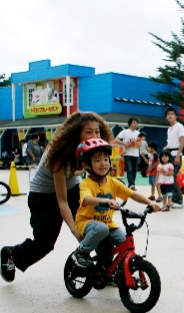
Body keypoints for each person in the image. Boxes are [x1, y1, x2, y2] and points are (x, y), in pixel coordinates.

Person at [1, 111, 112, 283]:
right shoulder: (60, 153)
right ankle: (10, 253)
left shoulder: (95, 150)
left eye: (97, 131)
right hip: (44, 196)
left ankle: (106, 270)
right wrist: (75, 229)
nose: (94, 135)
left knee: (99, 225)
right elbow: (62, 201)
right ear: (76, 133)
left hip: (73, 188)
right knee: (44, 244)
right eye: (88, 132)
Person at [71, 139, 160, 267]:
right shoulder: (86, 183)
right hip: (87, 222)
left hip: (108, 224)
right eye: (97, 160)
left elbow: (132, 194)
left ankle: (115, 271)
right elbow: (87, 200)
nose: (103, 164)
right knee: (102, 228)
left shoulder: (112, 182)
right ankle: (81, 252)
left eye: (106, 159)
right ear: (86, 165)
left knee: (125, 242)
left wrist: (150, 203)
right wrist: (105, 201)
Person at [164, 107, 184, 208]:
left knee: (173, 177)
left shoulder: (179, 126)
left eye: (172, 114)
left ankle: (179, 201)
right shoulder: (169, 129)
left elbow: (182, 141)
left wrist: (178, 156)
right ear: (166, 117)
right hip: (168, 155)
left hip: (176, 155)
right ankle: (174, 199)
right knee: (168, 177)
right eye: (168, 114)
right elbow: (169, 143)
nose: (170, 116)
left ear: (176, 116)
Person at [113, 117, 140, 190]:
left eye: (136, 123)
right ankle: (131, 184)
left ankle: (132, 185)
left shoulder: (138, 133)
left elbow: (140, 144)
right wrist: (125, 144)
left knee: (134, 170)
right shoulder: (124, 132)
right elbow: (116, 140)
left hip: (136, 154)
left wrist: (135, 144)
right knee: (129, 169)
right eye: (134, 122)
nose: (135, 124)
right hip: (127, 153)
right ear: (130, 123)